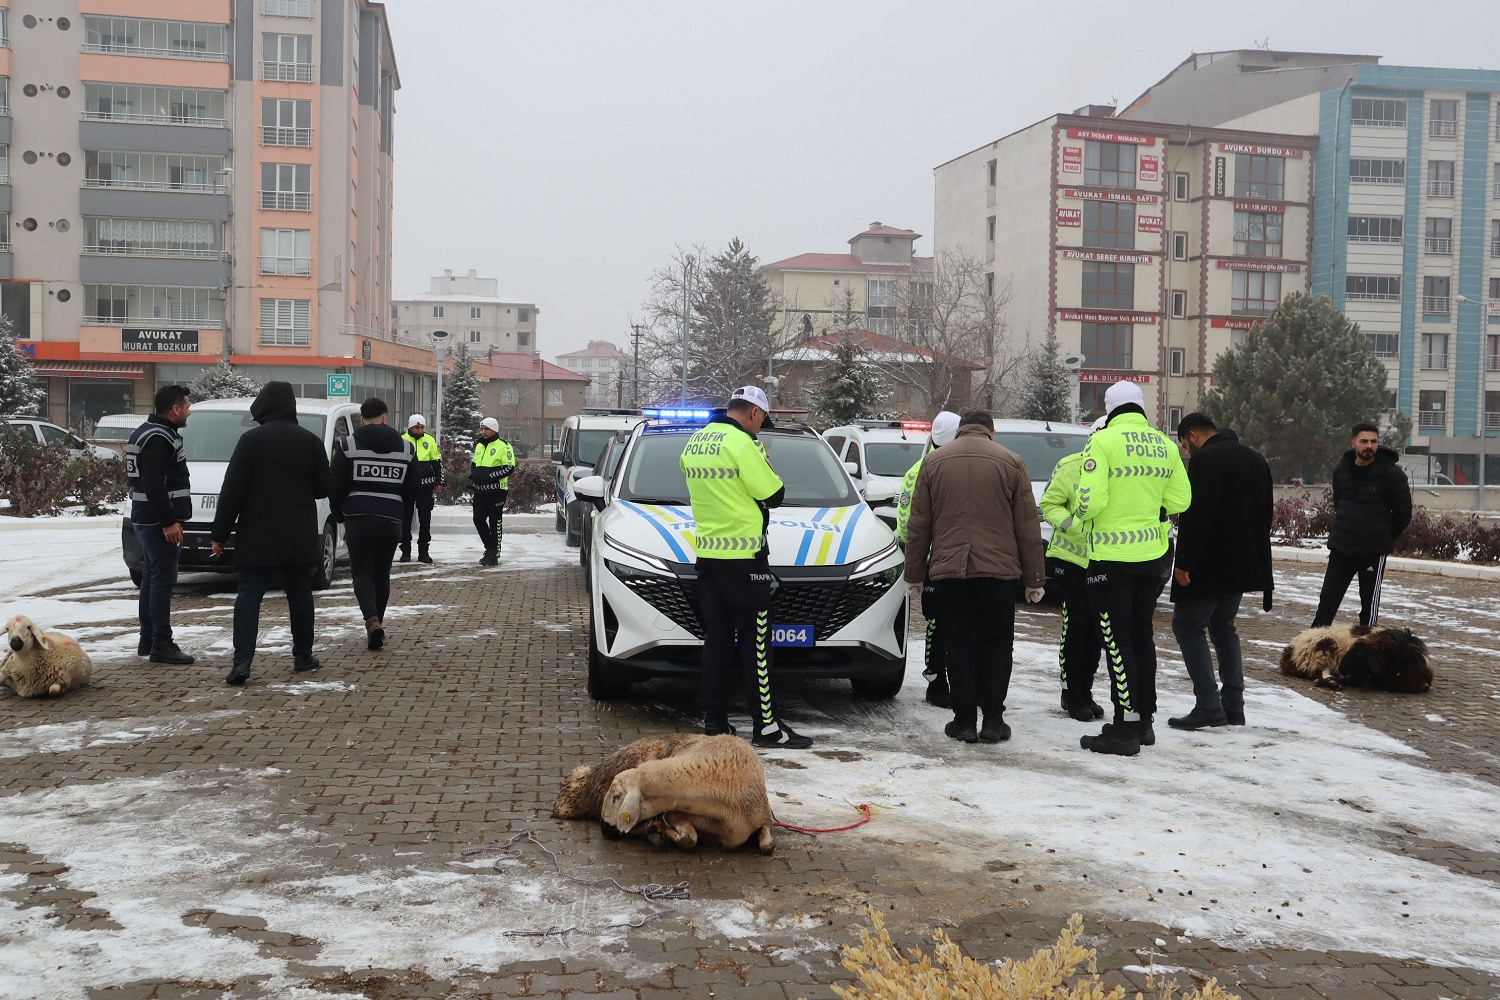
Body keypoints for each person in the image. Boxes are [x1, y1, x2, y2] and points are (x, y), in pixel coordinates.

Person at [679, 385, 811, 749]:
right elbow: (774, 494)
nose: (761, 427)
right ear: (754, 413)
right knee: (756, 644)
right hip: (744, 558)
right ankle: (767, 727)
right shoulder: (743, 444)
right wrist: (764, 459)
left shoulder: (697, 441)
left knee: (717, 641)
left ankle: (716, 723)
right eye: (763, 420)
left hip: (707, 556)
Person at [904, 410, 1046, 744]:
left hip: (951, 571)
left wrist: (915, 573)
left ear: (959, 431)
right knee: (998, 645)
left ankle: (964, 721)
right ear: (991, 432)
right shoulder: (1012, 462)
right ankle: (994, 721)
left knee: (959, 646)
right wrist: (1035, 578)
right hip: (999, 572)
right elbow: (1027, 525)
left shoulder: (934, 462)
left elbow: (919, 523)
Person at [1071, 381, 1191, 756]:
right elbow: (1181, 500)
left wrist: (1078, 517)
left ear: (1109, 409)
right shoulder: (1165, 444)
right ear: (1140, 407)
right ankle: (1144, 722)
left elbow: (1090, 501)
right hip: (1152, 558)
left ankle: (1124, 728)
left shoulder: (1102, 441)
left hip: (1109, 560)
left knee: (1116, 641)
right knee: (1141, 637)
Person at [211, 382, 332, 686]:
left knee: (249, 594)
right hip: (298, 532)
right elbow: (322, 488)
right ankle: (303, 656)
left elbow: (232, 490)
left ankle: (242, 662)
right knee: (300, 593)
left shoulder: (251, 440)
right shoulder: (311, 442)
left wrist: (220, 533)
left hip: (257, 531)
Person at [1166, 412, 1274, 731]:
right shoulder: (1256, 459)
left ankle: (1208, 704)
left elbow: (1197, 516)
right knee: (1224, 625)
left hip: (1209, 563)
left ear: (1194, 436)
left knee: (1187, 625)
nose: (1187, 451)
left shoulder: (1206, 460)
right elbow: (1265, 514)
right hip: (1243, 562)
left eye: (1185, 445)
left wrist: (1184, 562)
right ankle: (1233, 706)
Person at [331, 398, 416, 651]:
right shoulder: (407, 448)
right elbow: (412, 490)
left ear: (361, 420)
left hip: (358, 518)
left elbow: (335, 484)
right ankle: (378, 621)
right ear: (385, 418)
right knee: (381, 572)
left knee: (361, 572)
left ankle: (371, 620)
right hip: (390, 518)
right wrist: (402, 515)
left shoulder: (347, 445)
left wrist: (339, 513)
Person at [1310, 422, 1412, 629]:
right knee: (1326, 604)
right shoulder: (1342, 470)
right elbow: (1340, 504)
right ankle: (1311, 652)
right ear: (1353, 442)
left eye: (1374, 441)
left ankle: (1367, 655)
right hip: (1341, 548)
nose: (1369, 446)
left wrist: (1383, 537)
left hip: (1372, 552)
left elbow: (1403, 514)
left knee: (1369, 611)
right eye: (1364, 441)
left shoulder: (1391, 474)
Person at [1039, 415, 1106, 722]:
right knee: (1076, 625)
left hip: (1105, 561)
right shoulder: (1071, 466)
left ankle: (1086, 689)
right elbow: (1050, 504)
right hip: (1071, 560)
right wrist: (1073, 526)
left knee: (1097, 631)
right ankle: (1072, 693)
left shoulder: (1121, 471)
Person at [894, 410, 961, 708]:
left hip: (959, 560)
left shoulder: (960, 466)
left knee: (958, 623)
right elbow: (907, 523)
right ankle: (936, 680)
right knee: (939, 623)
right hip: (936, 563)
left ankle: (958, 679)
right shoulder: (919, 471)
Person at [126, 384, 195, 665]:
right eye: (187, 406)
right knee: (162, 582)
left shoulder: (145, 432)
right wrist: (169, 522)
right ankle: (161, 644)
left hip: (146, 516)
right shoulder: (159, 437)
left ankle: (149, 638)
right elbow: (153, 483)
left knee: (153, 580)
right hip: (157, 520)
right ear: (175, 409)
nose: (189, 411)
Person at [470, 417, 515, 567]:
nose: (483, 431)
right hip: (480, 491)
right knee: (478, 520)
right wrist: (473, 475)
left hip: (497, 491)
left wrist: (490, 476)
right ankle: (489, 548)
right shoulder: (479, 445)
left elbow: (509, 467)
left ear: (494, 429)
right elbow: (475, 464)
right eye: (482, 428)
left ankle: (494, 553)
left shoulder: (504, 446)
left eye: (486, 429)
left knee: (495, 522)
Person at [399, 413, 443, 564]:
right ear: (410, 427)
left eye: (422, 427)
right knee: (405, 519)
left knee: (425, 519)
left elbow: (437, 462)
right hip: (407, 486)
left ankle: (423, 552)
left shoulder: (429, 440)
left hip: (425, 486)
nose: (419, 430)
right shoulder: (401, 439)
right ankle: (405, 551)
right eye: (417, 427)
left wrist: (439, 481)